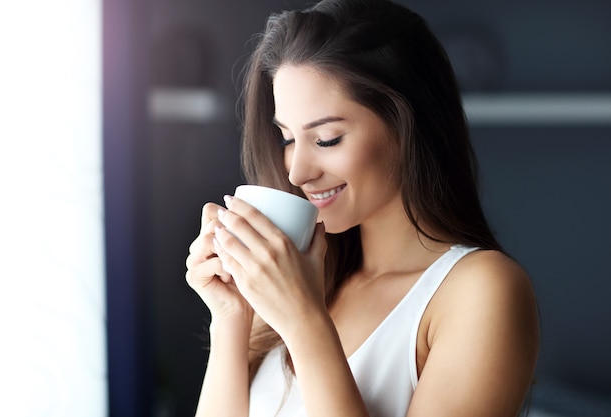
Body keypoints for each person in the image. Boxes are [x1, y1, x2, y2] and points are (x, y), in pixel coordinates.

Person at [185, 0, 539, 415]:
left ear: (409, 126)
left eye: (327, 139)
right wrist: (231, 315)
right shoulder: (303, 278)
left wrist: (305, 323)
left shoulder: (481, 290)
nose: (297, 172)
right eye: (287, 139)